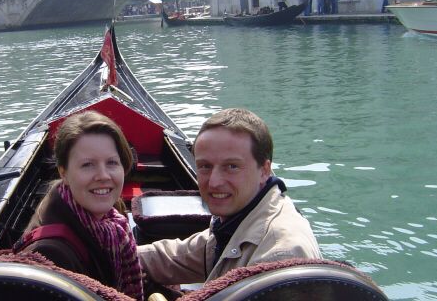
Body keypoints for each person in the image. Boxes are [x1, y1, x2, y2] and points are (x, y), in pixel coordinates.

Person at [138, 108, 322, 286]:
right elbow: (178, 257)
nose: (214, 182)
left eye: (232, 166)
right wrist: (118, 253)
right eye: (205, 166)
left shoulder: (279, 257)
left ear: (264, 170)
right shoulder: (239, 219)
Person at [16, 111, 143, 300]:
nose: (103, 175)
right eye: (87, 165)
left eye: (112, 163)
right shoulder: (51, 255)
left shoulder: (106, 220)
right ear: (64, 173)